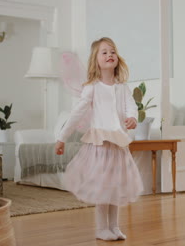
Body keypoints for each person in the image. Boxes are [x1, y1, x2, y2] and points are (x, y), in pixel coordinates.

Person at [55, 37, 143, 241]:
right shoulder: (92, 87)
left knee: (115, 188)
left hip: (118, 145)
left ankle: (114, 226)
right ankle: (101, 228)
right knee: (104, 188)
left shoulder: (122, 87)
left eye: (112, 51)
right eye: (104, 52)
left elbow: (131, 106)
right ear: (96, 61)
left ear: (117, 58)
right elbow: (77, 113)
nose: (109, 55)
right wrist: (62, 137)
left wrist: (132, 118)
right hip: (100, 145)